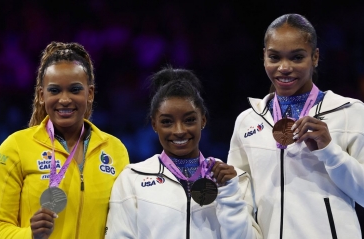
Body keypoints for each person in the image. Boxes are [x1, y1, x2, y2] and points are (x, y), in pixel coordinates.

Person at [227, 13, 364, 239]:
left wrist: (330, 152)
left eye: (297, 57)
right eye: (274, 57)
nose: (284, 67)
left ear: (315, 57)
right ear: (264, 57)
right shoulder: (248, 122)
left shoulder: (350, 113)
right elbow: (241, 199)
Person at [0, 41, 129, 239]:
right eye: (54, 90)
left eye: (75, 89)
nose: (64, 99)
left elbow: (125, 223)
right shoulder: (15, 148)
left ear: (90, 93)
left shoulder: (115, 150)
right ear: (41, 95)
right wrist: (30, 235)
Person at [105, 66, 262, 239]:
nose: (179, 130)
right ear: (154, 125)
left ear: (203, 120)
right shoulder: (131, 179)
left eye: (189, 120)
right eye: (167, 122)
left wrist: (229, 194)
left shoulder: (234, 180)